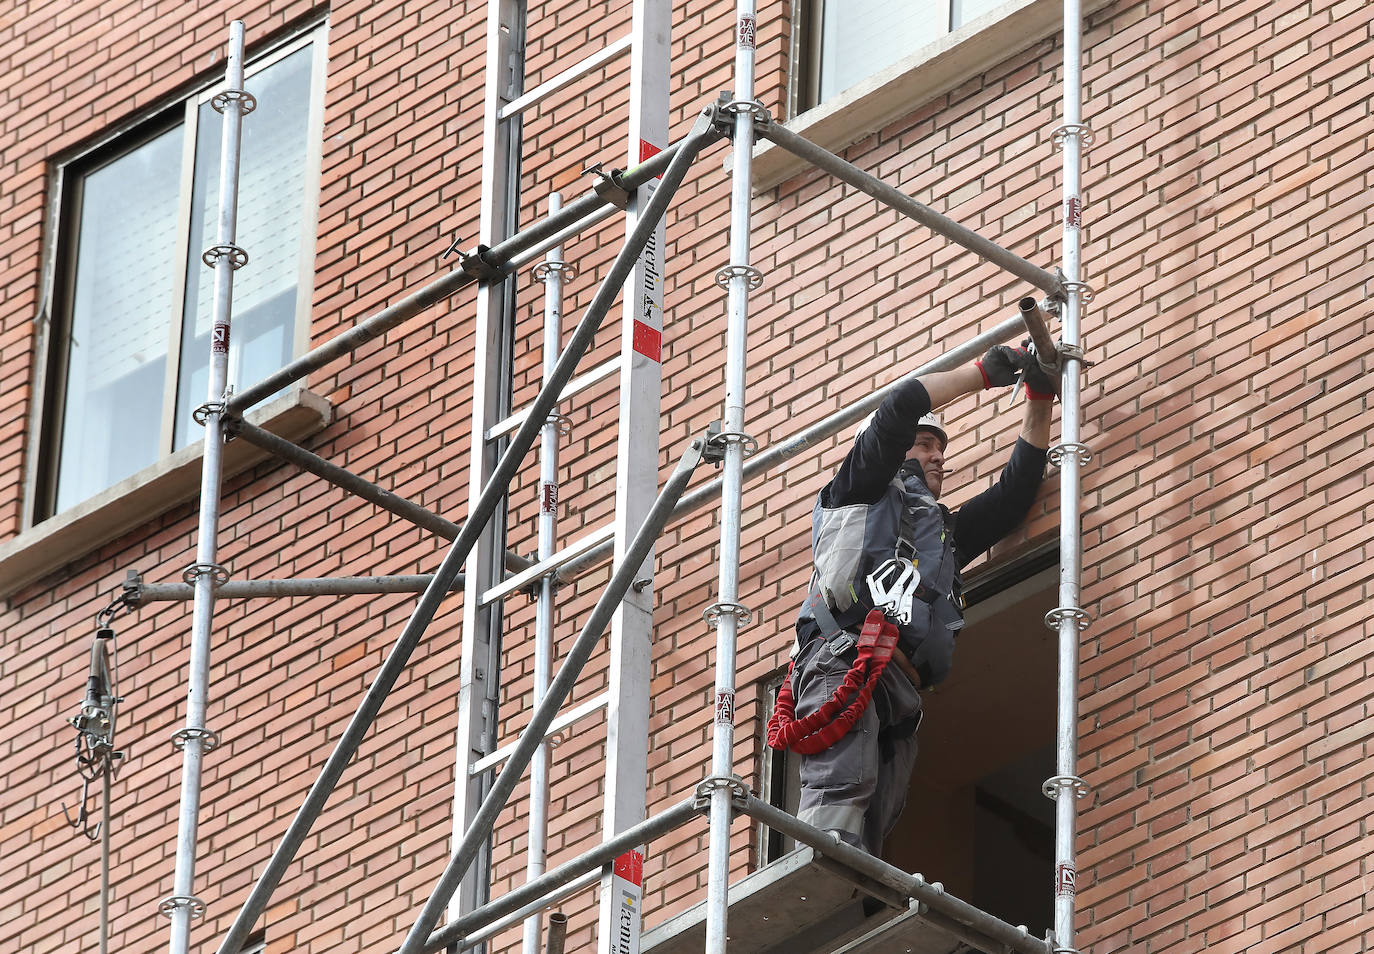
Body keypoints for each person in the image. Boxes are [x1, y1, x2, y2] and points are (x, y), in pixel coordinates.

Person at [768, 342, 1055, 857]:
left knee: (882, 806)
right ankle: (818, 872)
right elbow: (900, 405)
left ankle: (853, 893)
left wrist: (1039, 396)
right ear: (893, 449)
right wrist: (983, 373)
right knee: (842, 785)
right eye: (923, 444)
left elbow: (1013, 495)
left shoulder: (943, 535)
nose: (937, 455)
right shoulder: (859, 488)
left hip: (898, 687)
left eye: (939, 447)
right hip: (845, 661)